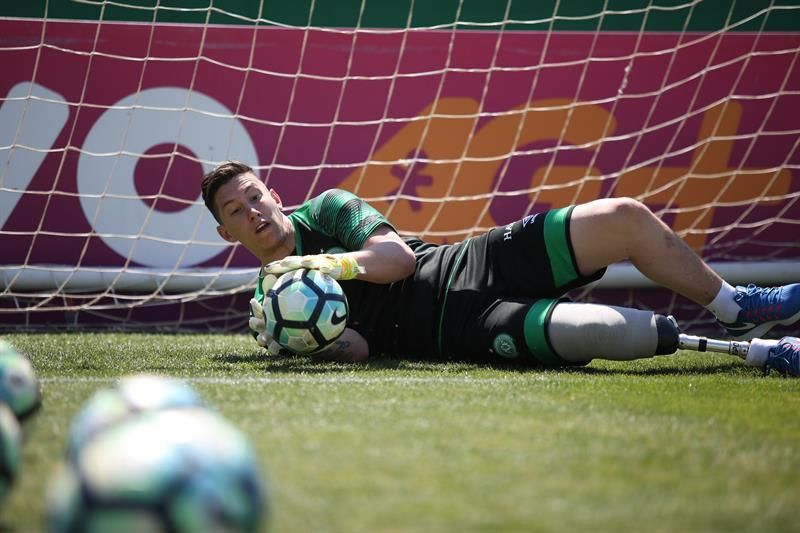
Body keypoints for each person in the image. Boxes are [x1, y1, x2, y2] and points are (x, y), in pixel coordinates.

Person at [200, 160, 800, 376]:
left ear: (275, 195)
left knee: (623, 215)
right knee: (603, 333)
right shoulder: (270, 304)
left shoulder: (329, 210)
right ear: (226, 232)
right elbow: (355, 348)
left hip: (471, 261)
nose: (252, 212)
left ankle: (738, 307)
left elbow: (399, 259)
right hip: (463, 333)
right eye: (236, 210)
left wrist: (322, 262)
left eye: (255, 196)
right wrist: (301, 342)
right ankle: (755, 354)